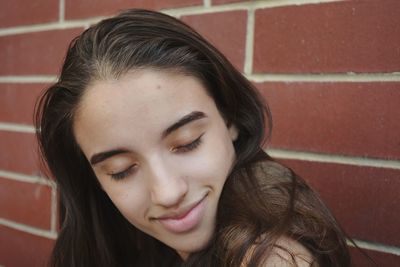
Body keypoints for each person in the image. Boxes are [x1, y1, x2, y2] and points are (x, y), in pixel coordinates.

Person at [35, 9, 352, 266]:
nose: (168, 192)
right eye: (121, 170)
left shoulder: (270, 254)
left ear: (229, 117)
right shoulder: (110, 237)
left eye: (187, 143)